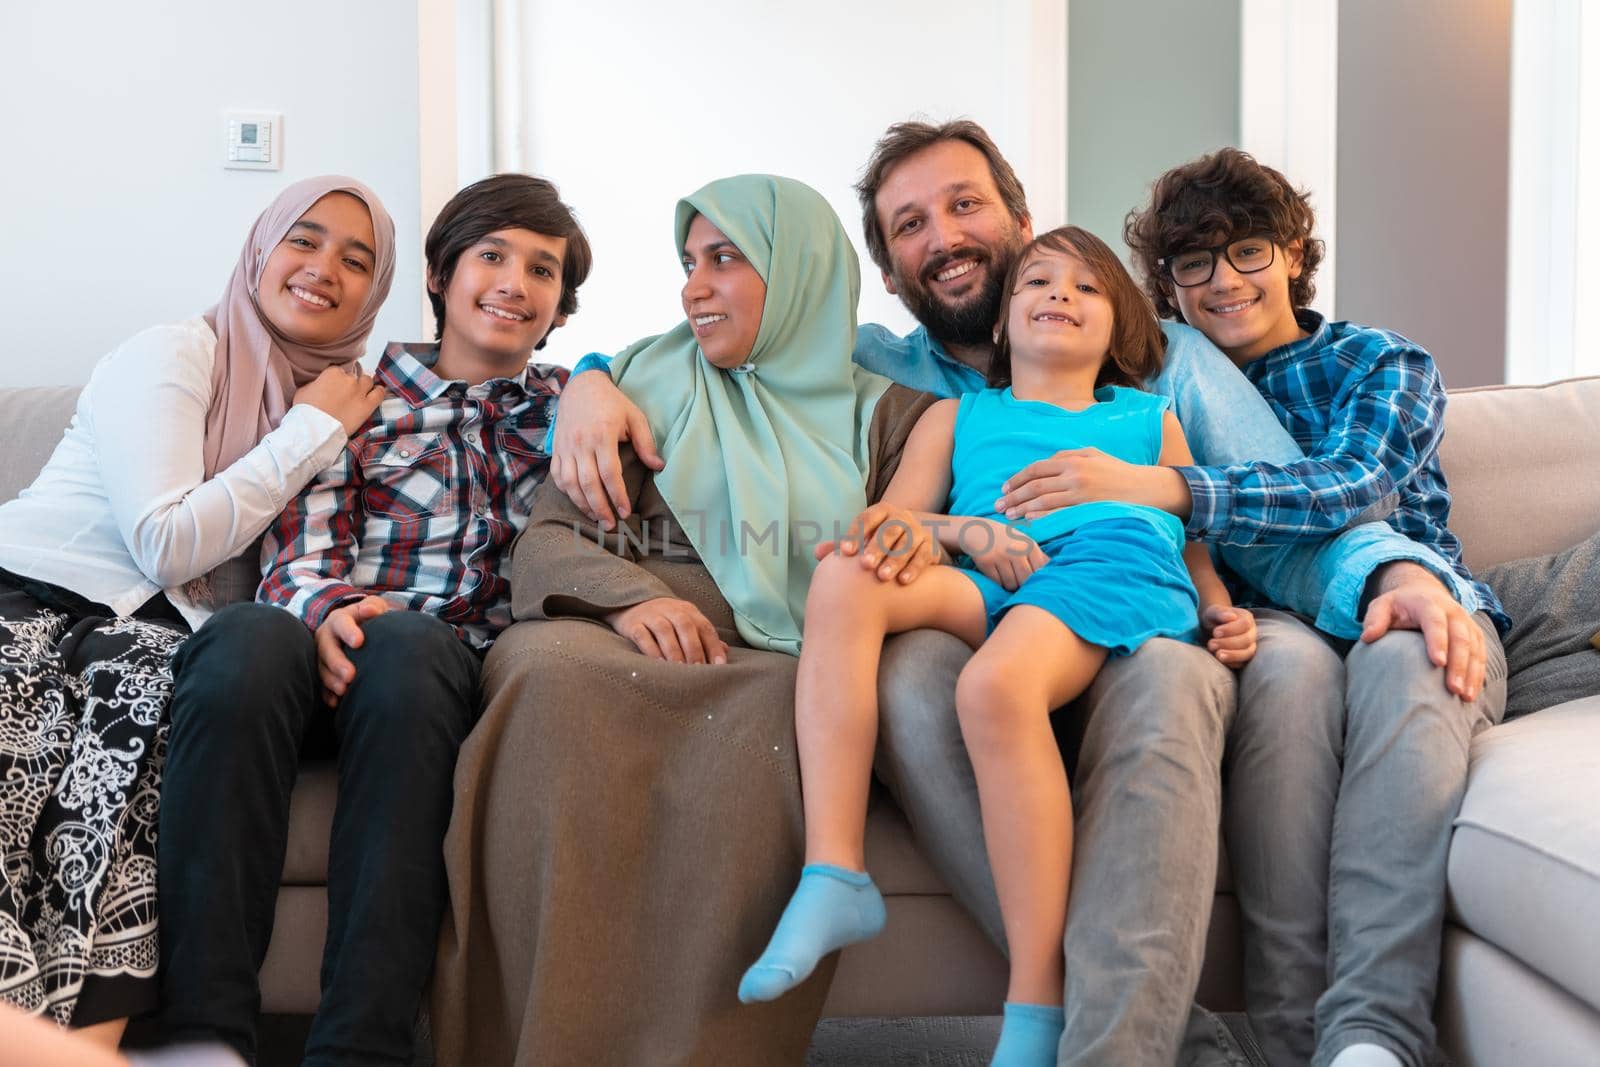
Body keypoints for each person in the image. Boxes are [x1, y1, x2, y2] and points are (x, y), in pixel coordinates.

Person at [550, 120, 1485, 1065]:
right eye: (910, 224)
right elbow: (732, 329)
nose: (944, 237)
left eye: (965, 205)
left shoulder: (1157, 361)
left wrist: (1392, 573)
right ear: (885, 270)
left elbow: (1258, 501)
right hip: (989, 607)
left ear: (1021, 218)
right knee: (914, 672)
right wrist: (588, 379)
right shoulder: (881, 367)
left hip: (1150, 601)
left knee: (1248, 674)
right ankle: (1091, 1012)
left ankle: (1234, 1037)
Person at [429, 174, 936, 1066]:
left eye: (726, 259)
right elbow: (546, 543)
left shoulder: (890, 417)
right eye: (688, 262)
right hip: (600, 628)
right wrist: (636, 600)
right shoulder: (638, 383)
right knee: (547, 676)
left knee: (778, 710)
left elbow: (914, 556)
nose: (693, 286)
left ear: (802, 272)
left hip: (779, 659)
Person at [741, 226, 1259, 1066]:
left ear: (1119, 325)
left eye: (1087, 289)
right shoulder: (956, 416)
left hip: (1107, 565)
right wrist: (969, 529)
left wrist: (1216, 605)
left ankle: (1034, 1006)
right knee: (847, 574)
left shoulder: (1146, 418)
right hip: (1001, 572)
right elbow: (893, 523)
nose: (1060, 295)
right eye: (1039, 283)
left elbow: (1189, 533)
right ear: (1002, 319)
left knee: (992, 688)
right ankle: (834, 872)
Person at [154, 173, 590, 1066]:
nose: (514, 282)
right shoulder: (356, 395)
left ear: (559, 306)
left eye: (541, 271)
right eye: (492, 257)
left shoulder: (562, 412)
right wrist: (326, 610)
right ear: (439, 275)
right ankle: (200, 1034)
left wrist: (598, 382)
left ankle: (360, 1047)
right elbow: (302, 546)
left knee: (408, 649)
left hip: (427, 681)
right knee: (241, 637)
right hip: (311, 654)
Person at [1119, 147, 1508, 1067]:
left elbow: (1357, 486)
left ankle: (1373, 1036)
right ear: (1168, 286)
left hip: (1410, 595)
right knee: (1284, 678)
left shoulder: (1377, 361)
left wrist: (1180, 489)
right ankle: (1299, 1046)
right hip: (1276, 626)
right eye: (1193, 264)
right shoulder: (1169, 385)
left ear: (1294, 251)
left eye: (1247, 250)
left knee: (1407, 647)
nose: (1223, 282)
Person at [0, 176, 394, 1049]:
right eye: (304, 239)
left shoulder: (360, 407)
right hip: (26, 598)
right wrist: (307, 431)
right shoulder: (179, 354)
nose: (324, 267)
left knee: (140, 743)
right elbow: (166, 543)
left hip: (146, 652)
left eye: (357, 259)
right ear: (260, 251)